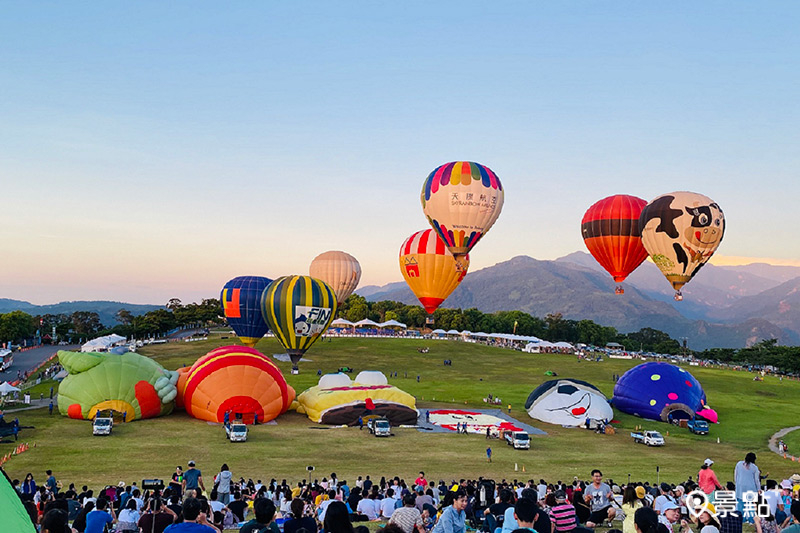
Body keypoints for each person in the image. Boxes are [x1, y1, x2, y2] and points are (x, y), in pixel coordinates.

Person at [734, 453, 761, 519]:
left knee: (740, 504)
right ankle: (751, 519)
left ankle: (741, 519)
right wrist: (759, 489)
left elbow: (735, 475)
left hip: (740, 487)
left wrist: (737, 483)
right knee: (751, 505)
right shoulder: (754, 467)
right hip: (751, 487)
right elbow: (756, 480)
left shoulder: (739, 464)